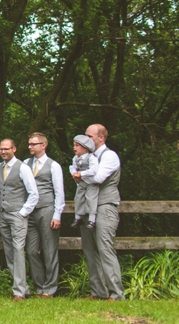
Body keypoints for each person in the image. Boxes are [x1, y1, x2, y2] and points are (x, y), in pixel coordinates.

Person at [0, 139, 38, 300]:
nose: (3, 152)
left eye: (6, 149)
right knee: (9, 252)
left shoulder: (23, 168)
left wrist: (23, 212)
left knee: (18, 250)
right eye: (1, 149)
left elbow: (34, 193)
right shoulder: (0, 167)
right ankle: (23, 288)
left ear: (14, 149)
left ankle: (19, 291)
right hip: (3, 214)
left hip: (17, 215)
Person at [79, 124, 124, 301]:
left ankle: (116, 293)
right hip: (88, 208)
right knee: (89, 250)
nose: (85, 139)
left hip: (105, 206)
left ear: (101, 138)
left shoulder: (109, 156)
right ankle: (98, 291)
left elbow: (98, 178)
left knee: (105, 249)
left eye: (89, 136)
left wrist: (81, 174)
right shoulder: (87, 158)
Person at [24, 132, 65, 298]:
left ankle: (50, 288)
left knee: (49, 250)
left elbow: (59, 192)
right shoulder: (26, 164)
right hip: (30, 212)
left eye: (33, 144)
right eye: (29, 144)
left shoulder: (53, 165)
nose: (30, 147)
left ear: (43, 145)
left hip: (46, 209)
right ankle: (39, 286)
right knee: (31, 250)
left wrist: (57, 215)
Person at [70, 135, 99, 230]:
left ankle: (92, 219)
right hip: (81, 183)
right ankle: (78, 217)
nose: (74, 147)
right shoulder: (75, 158)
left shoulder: (91, 158)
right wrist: (74, 173)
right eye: (74, 145)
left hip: (91, 183)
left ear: (85, 148)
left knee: (91, 198)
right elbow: (72, 167)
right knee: (78, 198)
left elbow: (94, 170)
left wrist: (81, 174)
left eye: (77, 145)